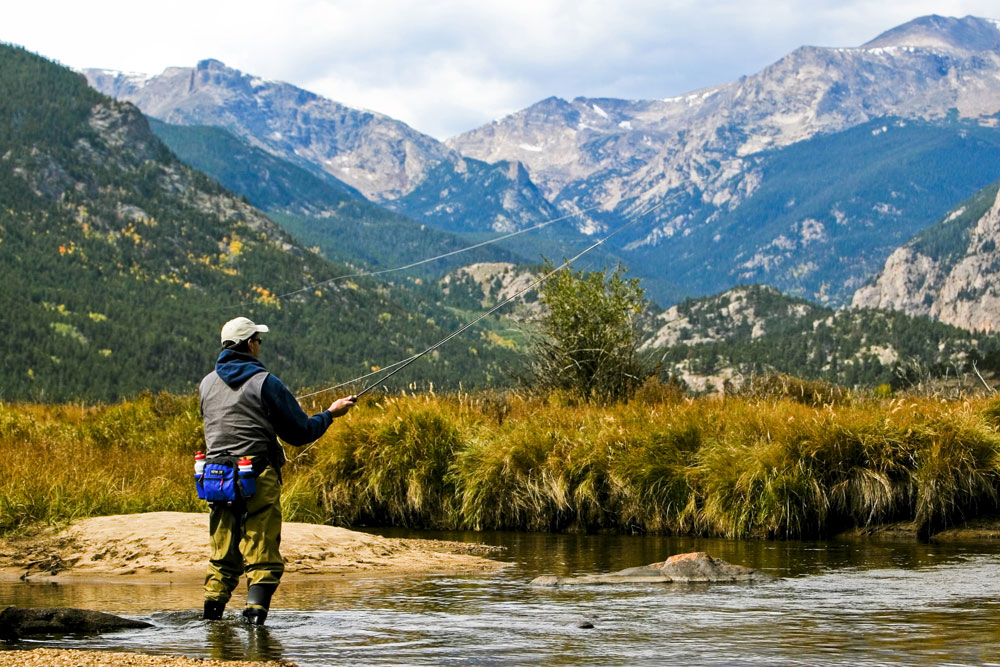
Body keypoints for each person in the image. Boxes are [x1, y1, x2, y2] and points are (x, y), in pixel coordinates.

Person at [199, 316, 355, 625]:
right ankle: (257, 630)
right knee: (261, 550)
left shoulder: (205, 383)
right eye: (259, 340)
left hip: (216, 479)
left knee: (222, 555)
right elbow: (300, 432)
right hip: (256, 476)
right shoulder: (265, 382)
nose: (260, 346)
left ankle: (211, 626)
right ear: (249, 344)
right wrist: (331, 414)